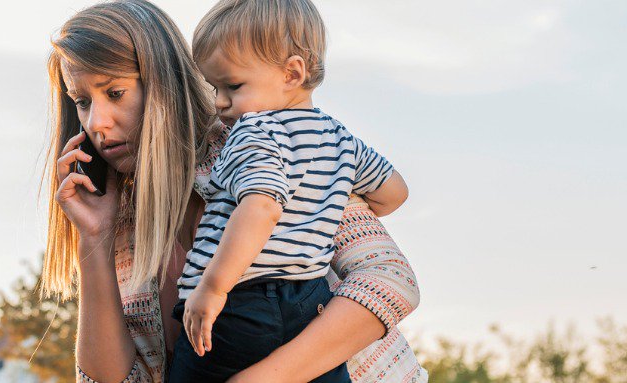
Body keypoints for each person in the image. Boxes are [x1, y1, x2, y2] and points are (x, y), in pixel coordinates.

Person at [41, 1, 426, 382]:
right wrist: (95, 237)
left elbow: (389, 278)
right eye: (82, 101)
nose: (97, 122)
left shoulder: (263, 139)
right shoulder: (121, 219)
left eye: (114, 93)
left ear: (162, 81)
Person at [171, 0, 408, 380]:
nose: (219, 102)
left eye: (232, 86)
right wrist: (323, 203)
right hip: (310, 302)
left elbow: (261, 207)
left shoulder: (253, 131)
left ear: (292, 73)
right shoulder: (341, 139)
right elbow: (394, 193)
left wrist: (212, 288)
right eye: (214, 87)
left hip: (236, 305)